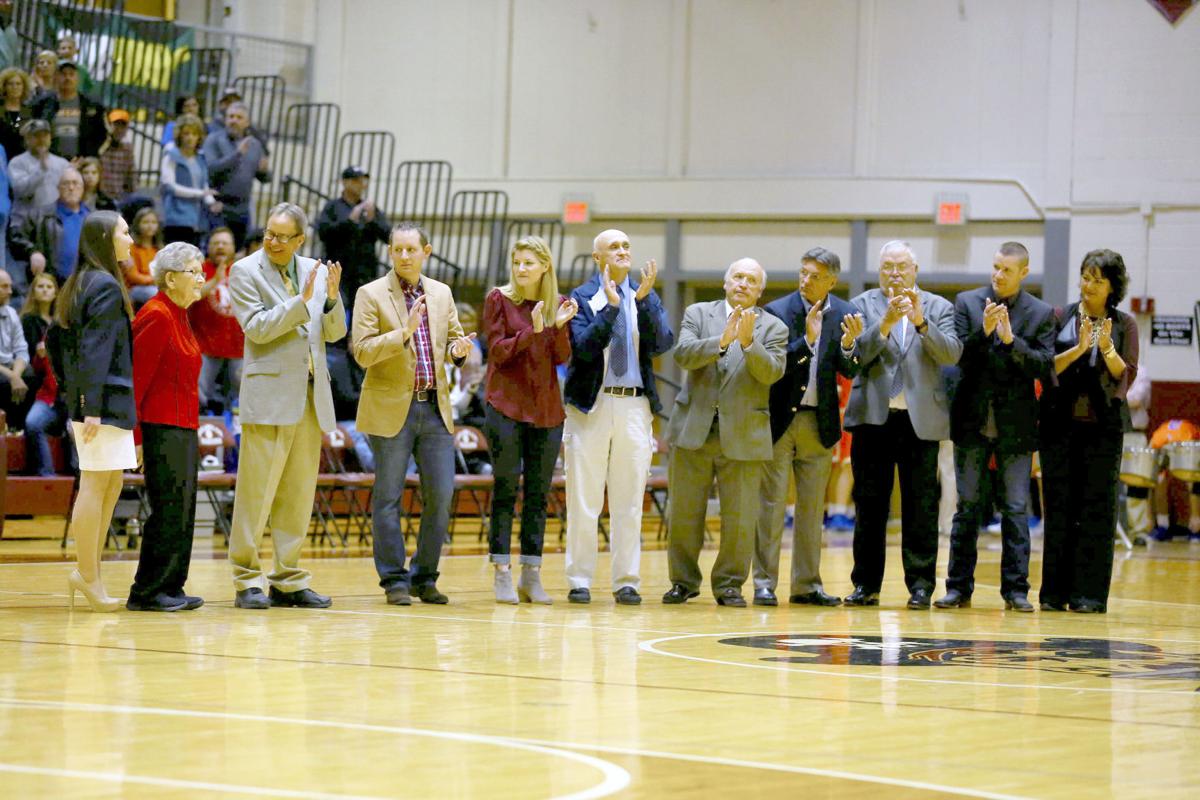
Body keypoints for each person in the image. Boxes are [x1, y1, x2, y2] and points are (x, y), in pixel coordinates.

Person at [226, 202, 346, 609]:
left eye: (283, 236)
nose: (273, 242)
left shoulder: (314, 267)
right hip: (269, 396)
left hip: (311, 395)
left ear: (300, 240)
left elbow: (334, 331)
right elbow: (257, 329)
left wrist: (330, 301)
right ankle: (246, 580)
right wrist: (301, 302)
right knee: (255, 495)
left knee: (297, 495)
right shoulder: (244, 271)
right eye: (269, 234)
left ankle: (289, 579)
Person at [350, 221, 475, 606]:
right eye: (397, 249)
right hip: (391, 410)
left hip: (434, 407)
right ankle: (393, 579)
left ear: (426, 251)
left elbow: (454, 337)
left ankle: (425, 575)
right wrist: (402, 332)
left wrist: (458, 350)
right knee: (388, 497)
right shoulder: (370, 294)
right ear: (390, 252)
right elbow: (362, 351)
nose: (404, 256)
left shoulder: (441, 293)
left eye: (411, 249)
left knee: (440, 494)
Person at [934, 242, 1055, 612]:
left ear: (1023, 273)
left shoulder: (1041, 313)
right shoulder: (968, 303)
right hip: (972, 422)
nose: (998, 275)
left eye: (1006, 270)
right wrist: (982, 334)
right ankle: (957, 588)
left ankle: (1016, 590)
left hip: (1015, 428)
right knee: (967, 507)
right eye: (995, 267)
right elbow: (957, 360)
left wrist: (1008, 340)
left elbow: (1042, 367)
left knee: (1016, 509)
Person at [843, 241, 963, 608]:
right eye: (887, 267)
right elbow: (855, 357)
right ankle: (866, 585)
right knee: (870, 506)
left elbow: (951, 353)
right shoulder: (862, 304)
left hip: (920, 420)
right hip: (873, 419)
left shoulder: (939, 307)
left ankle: (922, 585)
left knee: (921, 506)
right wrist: (885, 324)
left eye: (901, 266)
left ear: (915, 270)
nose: (894, 273)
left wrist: (919, 322)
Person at [662, 259, 787, 607]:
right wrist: (722, 340)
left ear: (760, 290)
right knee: (684, 513)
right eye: (738, 277)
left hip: (745, 434)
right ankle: (683, 581)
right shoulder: (699, 313)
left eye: (751, 280)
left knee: (741, 517)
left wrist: (748, 344)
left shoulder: (775, 328)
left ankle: (729, 584)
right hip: (694, 430)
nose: (743, 283)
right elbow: (683, 355)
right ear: (725, 281)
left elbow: (772, 373)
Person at [562, 229, 674, 605]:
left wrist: (642, 303)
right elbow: (583, 349)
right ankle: (579, 579)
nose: (623, 251)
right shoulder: (581, 297)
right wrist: (610, 309)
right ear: (598, 258)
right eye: (614, 247)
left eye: (627, 245)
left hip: (634, 405)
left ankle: (627, 580)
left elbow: (663, 343)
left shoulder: (645, 294)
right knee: (584, 498)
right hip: (591, 406)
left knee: (629, 499)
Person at [752, 247, 863, 607]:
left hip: (820, 421)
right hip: (782, 419)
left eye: (815, 276)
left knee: (813, 509)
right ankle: (764, 583)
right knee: (771, 505)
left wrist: (849, 345)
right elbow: (775, 366)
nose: (806, 280)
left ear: (832, 280)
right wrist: (809, 342)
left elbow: (851, 369)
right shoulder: (777, 311)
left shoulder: (846, 314)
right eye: (803, 272)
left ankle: (806, 585)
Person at [1039, 249, 1139, 614]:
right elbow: (1046, 366)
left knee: (1097, 510)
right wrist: (1080, 348)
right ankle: (1053, 593)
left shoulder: (1124, 323)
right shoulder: (1059, 316)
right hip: (1058, 428)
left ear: (1113, 287)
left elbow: (1124, 372)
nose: (1089, 286)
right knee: (1060, 508)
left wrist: (1106, 347)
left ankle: (1090, 596)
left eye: (1098, 280)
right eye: (1085, 277)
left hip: (1103, 430)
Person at [482, 236, 576, 604]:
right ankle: (502, 572)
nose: (521, 269)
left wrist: (557, 327)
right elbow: (499, 353)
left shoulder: (558, 304)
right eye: (517, 262)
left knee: (539, 493)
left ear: (544, 267)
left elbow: (561, 356)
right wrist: (532, 331)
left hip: (547, 408)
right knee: (506, 486)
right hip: (506, 403)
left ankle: (531, 574)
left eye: (528, 263)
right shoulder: (498, 299)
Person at [55, 210, 138, 612]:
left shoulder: (82, 282)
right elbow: (94, 349)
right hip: (102, 404)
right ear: (106, 237)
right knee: (95, 485)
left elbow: (58, 345)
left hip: (101, 401)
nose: (130, 238)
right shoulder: (103, 284)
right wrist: (89, 405)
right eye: (124, 232)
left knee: (110, 485)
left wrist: (77, 396)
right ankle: (87, 576)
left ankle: (90, 573)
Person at [127, 241, 206, 611]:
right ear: (171, 278)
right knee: (167, 508)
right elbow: (138, 381)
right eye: (194, 272)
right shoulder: (156, 314)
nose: (201, 279)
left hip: (183, 425)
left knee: (183, 509)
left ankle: (172, 585)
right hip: (160, 428)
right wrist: (137, 438)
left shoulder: (180, 313)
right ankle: (147, 590)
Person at [316, 165, 390, 312]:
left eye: (363, 181)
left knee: (363, 310)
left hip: (365, 270)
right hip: (338, 268)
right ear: (345, 182)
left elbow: (388, 236)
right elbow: (323, 233)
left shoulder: (370, 208)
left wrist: (372, 220)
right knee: (338, 308)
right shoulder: (333, 207)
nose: (361, 185)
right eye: (356, 180)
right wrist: (349, 221)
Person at [189, 227, 243, 414]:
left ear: (234, 247)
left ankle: (234, 440)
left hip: (238, 346)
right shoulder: (198, 270)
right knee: (197, 398)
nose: (220, 247)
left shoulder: (243, 270)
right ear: (208, 247)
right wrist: (214, 281)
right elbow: (190, 297)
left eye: (225, 243)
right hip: (204, 343)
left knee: (239, 403)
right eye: (216, 243)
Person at [202, 101, 269, 247]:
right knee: (216, 250)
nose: (234, 120)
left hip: (243, 208)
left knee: (239, 252)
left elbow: (264, 178)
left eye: (239, 117)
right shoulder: (214, 139)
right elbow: (211, 169)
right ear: (225, 119)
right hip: (218, 205)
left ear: (247, 122)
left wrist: (265, 172)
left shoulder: (255, 144)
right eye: (231, 116)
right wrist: (237, 154)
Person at [20, 271, 67, 476]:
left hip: (71, 396)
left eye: (49, 287)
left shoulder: (64, 323)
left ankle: (78, 486)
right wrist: (40, 357)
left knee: (79, 429)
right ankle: (49, 479)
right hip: (46, 390)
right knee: (32, 423)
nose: (46, 290)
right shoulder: (28, 320)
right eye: (41, 286)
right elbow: (34, 363)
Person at [11, 166, 89, 282]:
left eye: (75, 183)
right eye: (66, 184)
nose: (71, 188)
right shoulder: (40, 215)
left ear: (83, 188)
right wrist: (32, 252)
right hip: (52, 285)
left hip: (85, 284)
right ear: (58, 188)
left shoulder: (93, 217)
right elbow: (16, 237)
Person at [160, 112, 219, 246]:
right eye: (186, 133)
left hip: (196, 219)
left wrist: (211, 202)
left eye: (194, 134)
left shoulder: (200, 158)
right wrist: (200, 194)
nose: (190, 138)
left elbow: (203, 185)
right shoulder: (171, 155)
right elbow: (169, 186)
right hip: (176, 218)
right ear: (179, 135)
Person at [31, 59, 105, 159]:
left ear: (77, 78)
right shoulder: (42, 103)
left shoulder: (91, 105)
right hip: (48, 161)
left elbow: (101, 134)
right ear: (56, 77)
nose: (67, 78)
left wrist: (89, 156)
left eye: (71, 74)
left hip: (81, 162)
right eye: (63, 74)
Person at [8, 119, 68, 235]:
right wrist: (41, 170)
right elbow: (20, 191)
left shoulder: (62, 163)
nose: (42, 140)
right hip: (24, 224)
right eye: (37, 136)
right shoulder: (17, 163)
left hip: (53, 224)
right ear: (27, 139)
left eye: (45, 135)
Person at [0, 268, 31, 427]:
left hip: (9, 367)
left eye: (10, 286)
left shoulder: (11, 313)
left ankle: (19, 428)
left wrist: (16, 375)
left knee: (31, 374)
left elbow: (21, 351)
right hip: (2, 371)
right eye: (4, 286)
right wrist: (13, 377)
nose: (10, 291)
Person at [123, 206, 161, 307]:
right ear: (138, 225)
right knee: (156, 293)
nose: (150, 226)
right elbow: (133, 277)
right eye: (145, 222)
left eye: (153, 222)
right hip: (134, 289)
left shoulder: (159, 249)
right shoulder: (130, 247)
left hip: (155, 284)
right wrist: (156, 280)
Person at [97, 108, 136, 202]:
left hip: (119, 196)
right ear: (109, 125)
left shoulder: (127, 149)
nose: (119, 129)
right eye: (116, 125)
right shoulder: (101, 145)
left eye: (123, 126)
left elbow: (131, 174)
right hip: (100, 197)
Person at [0, 65, 32, 158]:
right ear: (4, 86)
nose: (15, 87)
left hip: (22, 160)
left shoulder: (29, 110)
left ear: (24, 86)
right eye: (10, 84)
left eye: (18, 84)